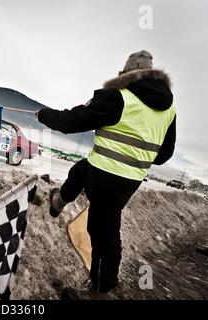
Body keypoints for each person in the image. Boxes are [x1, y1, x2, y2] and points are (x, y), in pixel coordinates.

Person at [37, 50, 176, 299]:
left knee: (103, 231)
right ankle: (59, 201)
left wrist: (44, 114)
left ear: (127, 74)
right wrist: (136, 157)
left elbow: (72, 122)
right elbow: (165, 153)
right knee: (80, 170)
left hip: (105, 173)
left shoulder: (120, 96)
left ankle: (102, 291)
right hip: (130, 179)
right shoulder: (169, 109)